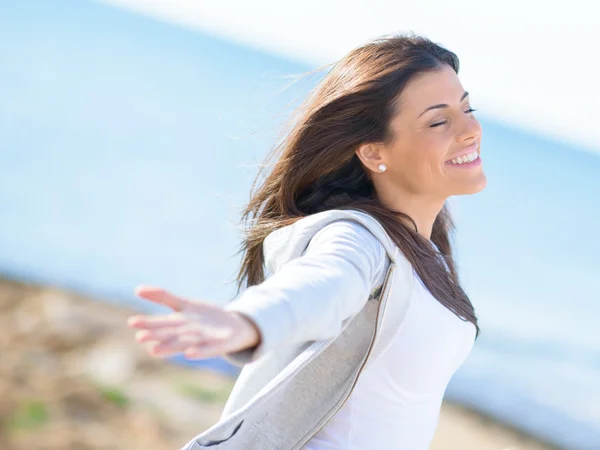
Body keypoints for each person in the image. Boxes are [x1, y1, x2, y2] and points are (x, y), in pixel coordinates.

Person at [127, 32, 486, 449]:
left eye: (467, 108)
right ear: (373, 153)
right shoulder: (359, 239)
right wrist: (248, 322)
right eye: (439, 121)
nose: (470, 130)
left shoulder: (428, 255)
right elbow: (322, 285)